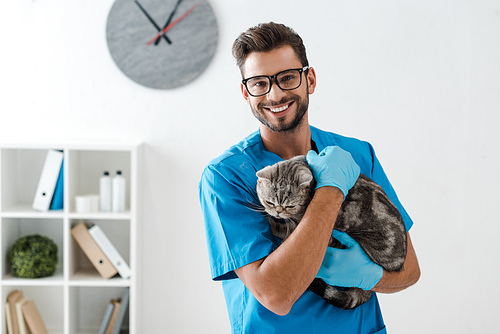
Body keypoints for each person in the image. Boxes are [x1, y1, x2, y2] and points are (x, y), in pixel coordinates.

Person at [199, 22, 420, 333]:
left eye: (287, 78)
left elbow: (410, 271)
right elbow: (276, 295)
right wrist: (330, 190)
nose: (274, 94)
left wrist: (369, 276)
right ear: (245, 92)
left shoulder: (355, 154)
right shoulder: (227, 177)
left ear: (310, 79)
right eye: (259, 83)